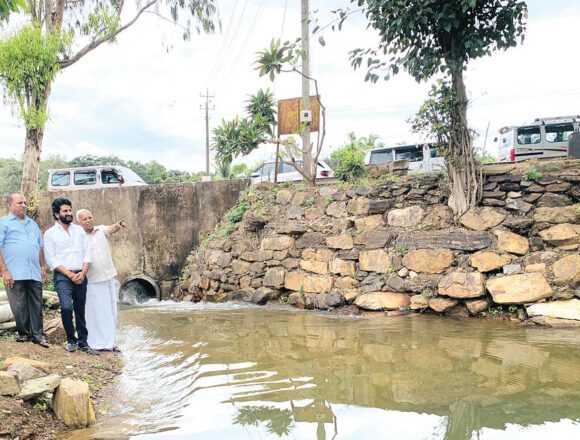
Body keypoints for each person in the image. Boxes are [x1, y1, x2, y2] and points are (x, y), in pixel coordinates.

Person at [44, 198, 98, 355]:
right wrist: (69, 274)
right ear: (56, 214)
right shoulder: (50, 234)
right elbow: (51, 259)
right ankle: (71, 340)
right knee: (67, 307)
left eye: (70, 210)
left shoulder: (79, 231)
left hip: (81, 274)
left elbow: (88, 253)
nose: (69, 213)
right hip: (62, 277)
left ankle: (83, 342)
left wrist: (83, 272)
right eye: (65, 211)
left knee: (80, 309)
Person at [0, 193, 49, 348]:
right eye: (19, 202)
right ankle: (24, 334)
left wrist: (42, 267)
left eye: (25, 203)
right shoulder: (4, 223)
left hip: (33, 271)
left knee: (36, 303)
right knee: (19, 304)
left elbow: (40, 246)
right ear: (10, 205)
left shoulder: (32, 224)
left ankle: (38, 335)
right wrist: (4, 271)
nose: (24, 205)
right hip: (14, 271)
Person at [76, 209, 125, 352]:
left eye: (90, 217)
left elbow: (112, 229)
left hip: (107, 277)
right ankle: (94, 341)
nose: (89, 220)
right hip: (91, 280)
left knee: (110, 311)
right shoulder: (79, 237)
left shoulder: (100, 230)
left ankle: (110, 341)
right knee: (94, 312)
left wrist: (118, 224)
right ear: (79, 222)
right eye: (84, 219)